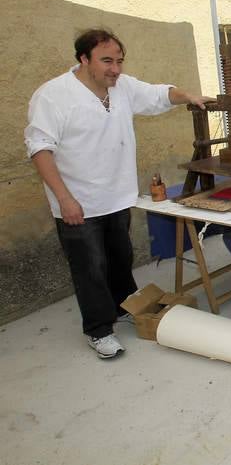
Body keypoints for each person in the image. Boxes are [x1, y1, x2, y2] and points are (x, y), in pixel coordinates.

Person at [24, 28, 213, 359]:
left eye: (119, 61)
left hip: (116, 195)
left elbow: (158, 94)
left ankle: (124, 304)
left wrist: (189, 97)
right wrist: (64, 199)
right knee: (90, 267)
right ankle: (99, 330)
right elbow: (40, 149)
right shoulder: (53, 96)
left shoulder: (122, 87)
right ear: (83, 59)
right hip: (77, 201)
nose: (115, 69)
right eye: (106, 61)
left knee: (119, 258)